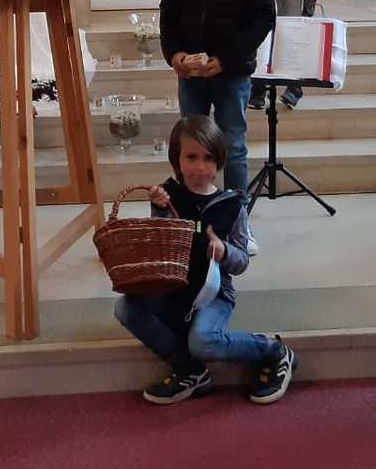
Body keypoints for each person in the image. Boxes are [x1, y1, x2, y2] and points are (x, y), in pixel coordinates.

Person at [113, 116, 297, 405]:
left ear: (220, 160)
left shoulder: (232, 205)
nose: (200, 167)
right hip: (174, 290)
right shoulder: (168, 196)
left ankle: (274, 352)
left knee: (203, 341)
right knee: (126, 308)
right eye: (191, 157)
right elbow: (162, 244)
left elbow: (241, 262)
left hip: (214, 293)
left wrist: (224, 250)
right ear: (176, 159)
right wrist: (158, 209)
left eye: (209, 158)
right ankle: (191, 370)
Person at [159, 0, 275, 202]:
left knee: (233, 144)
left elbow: (263, 18)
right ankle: (190, 211)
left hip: (231, 73)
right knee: (189, 144)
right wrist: (175, 55)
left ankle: (236, 215)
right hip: (191, 74)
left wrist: (225, 60)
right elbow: (169, 12)